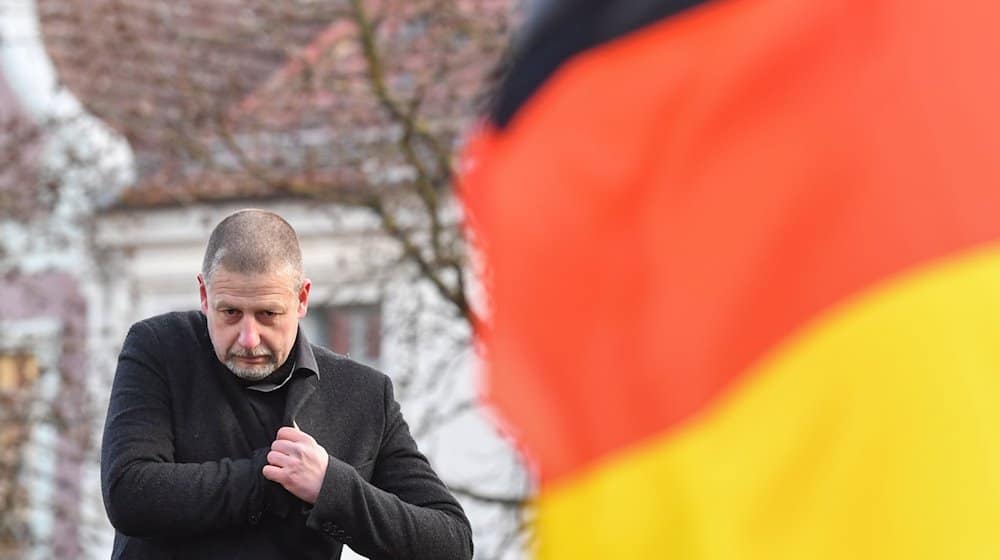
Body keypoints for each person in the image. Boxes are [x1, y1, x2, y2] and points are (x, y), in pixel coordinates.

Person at [101, 209, 473, 559]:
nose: (248, 337)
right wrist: (271, 480)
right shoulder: (159, 349)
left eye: (268, 314)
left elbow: (450, 541)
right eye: (230, 312)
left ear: (302, 299)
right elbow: (130, 493)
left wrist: (330, 487)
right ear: (204, 295)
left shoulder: (362, 395)